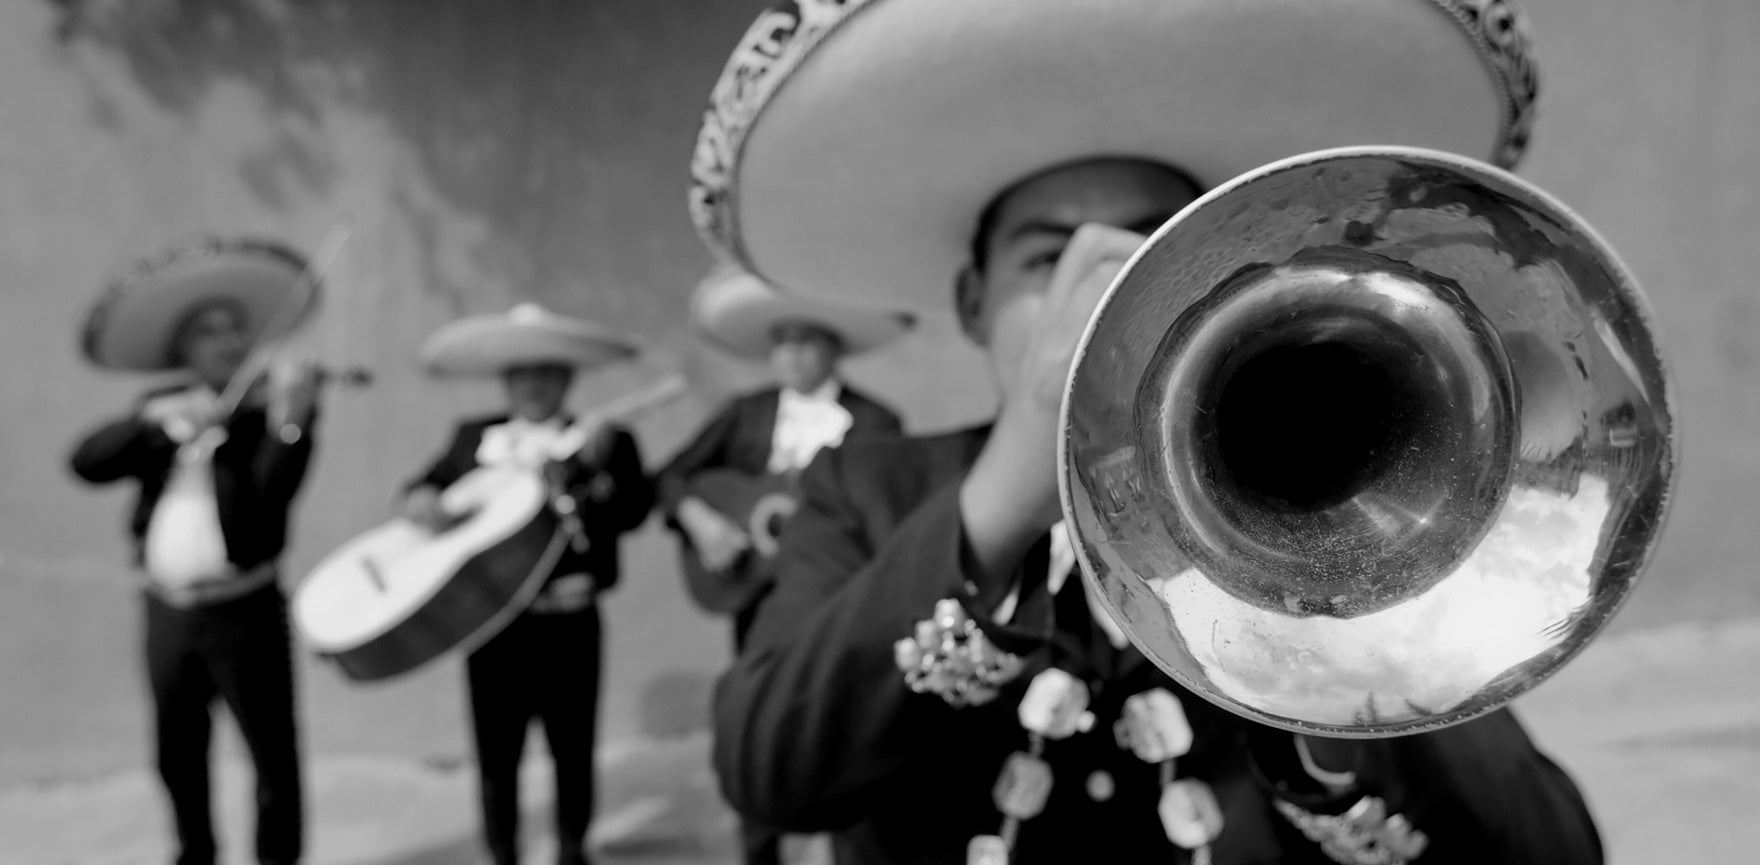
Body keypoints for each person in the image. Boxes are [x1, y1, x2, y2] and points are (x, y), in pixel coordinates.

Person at [683, 1, 1601, 863]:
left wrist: (1337, 645)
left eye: (1155, 244)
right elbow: (770, 774)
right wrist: (1004, 493)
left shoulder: (1322, 505)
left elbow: (1551, 848)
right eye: (1049, 257)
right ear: (972, 304)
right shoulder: (865, 486)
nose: (1106, 290)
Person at [68, 237, 326, 865]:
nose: (229, 343)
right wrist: (156, 423)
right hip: (169, 612)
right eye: (210, 333)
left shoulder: (269, 417)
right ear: (185, 348)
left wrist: (294, 422)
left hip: (245, 611)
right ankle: (193, 854)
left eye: (236, 330)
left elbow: (271, 502)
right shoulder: (162, 412)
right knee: (177, 752)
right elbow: (86, 463)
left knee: (271, 755)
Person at [656, 265, 910, 864]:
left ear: (833, 347)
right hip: (756, 596)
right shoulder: (746, 413)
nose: (791, 356)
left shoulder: (875, 423)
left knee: (842, 720)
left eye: (805, 341)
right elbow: (670, 476)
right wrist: (702, 519)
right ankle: (759, 851)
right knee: (758, 717)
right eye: (781, 342)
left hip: (837, 600)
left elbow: (889, 512)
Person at [402, 302, 656, 865]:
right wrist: (421, 501)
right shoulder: (475, 439)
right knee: (497, 750)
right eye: (521, 373)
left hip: (569, 616)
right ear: (505, 381)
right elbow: (425, 486)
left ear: (566, 378)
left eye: (546, 372)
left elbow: (634, 511)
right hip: (494, 620)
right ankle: (502, 850)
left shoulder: (607, 437)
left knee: (572, 744)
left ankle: (572, 847)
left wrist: (596, 470)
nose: (533, 385)